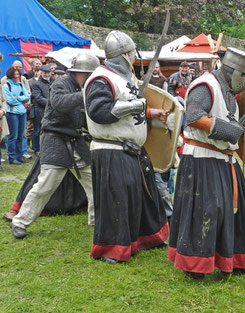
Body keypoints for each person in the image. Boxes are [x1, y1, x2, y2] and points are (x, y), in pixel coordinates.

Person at [169, 47, 245, 279]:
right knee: (205, 212)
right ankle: (195, 264)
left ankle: (237, 260)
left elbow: (231, 122)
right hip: (201, 159)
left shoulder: (229, 90)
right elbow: (193, 116)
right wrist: (225, 129)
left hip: (224, 159)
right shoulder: (206, 85)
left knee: (237, 212)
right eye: (244, 76)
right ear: (232, 71)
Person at [84, 31, 169, 263]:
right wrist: (135, 105)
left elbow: (132, 114)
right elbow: (99, 112)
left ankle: (147, 238)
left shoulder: (124, 77)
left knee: (140, 196)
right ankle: (112, 248)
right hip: (110, 149)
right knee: (117, 200)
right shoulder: (101, 78)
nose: (133, 58)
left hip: (130, 149)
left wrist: (147, 113)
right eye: (131, 54)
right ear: (123, 54)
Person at [9, 54, 100, 239]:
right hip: (56, 141)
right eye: (89, 74)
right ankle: (19, 221)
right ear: (80, 73)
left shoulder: (84, 87)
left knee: (94, 184)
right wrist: (84, 95)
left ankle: (97, 221)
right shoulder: (61, 84)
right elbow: (59, 104)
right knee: (45, 186)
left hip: (76, 143)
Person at [3, 66, 30, 164]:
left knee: (20, 135)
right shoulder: (6, 86)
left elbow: (27, 96)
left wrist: (17, 98)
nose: (16, 77)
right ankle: (11, 157)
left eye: (18, 74)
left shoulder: (21, 85)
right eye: (15, 75)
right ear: (10, 76)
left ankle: (19, 156)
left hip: (22, 112)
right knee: (12, 136)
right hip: (12, 113)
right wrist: (21, 99)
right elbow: (9, 100)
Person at [31, 64, 53, 155]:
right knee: (37, 130)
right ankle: (36, 149)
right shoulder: (36, 84)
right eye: (45, 73)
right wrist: (51, 103)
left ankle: (47, 147)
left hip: (50, 110)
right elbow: (38, 98)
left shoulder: (53, 82)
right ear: (41, 73)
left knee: (49, 130)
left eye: (48, 73)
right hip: (39, 110)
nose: (47, 75)